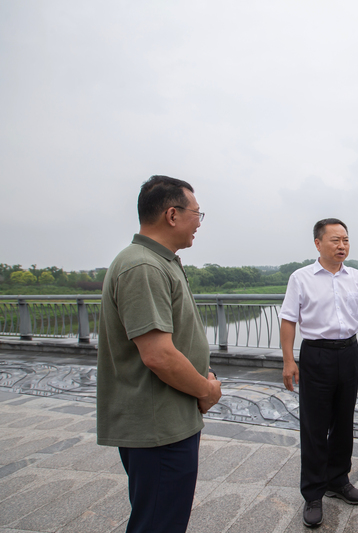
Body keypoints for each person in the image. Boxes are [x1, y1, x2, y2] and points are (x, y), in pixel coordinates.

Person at [96, 175, 222, 533]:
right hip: (158, 427)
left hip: (168, 420)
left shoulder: (158, 261)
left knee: (161, 516)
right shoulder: (144, 266)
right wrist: (206, 389)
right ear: (172, 214)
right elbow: (158, 356)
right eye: (197, 213)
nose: (199, 222)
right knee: (158, 523)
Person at [279, 218, 358, 529]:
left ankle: (338, 480)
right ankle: (312, 493)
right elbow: (288, 320)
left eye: (346, 240)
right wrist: (287, 360)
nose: (342, 246)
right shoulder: (301, 278)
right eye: (335, 240)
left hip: (349, 353)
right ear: (318, 243)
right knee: (314, 425)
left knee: (343, 421)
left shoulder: (355, 277)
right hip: (316, 355)